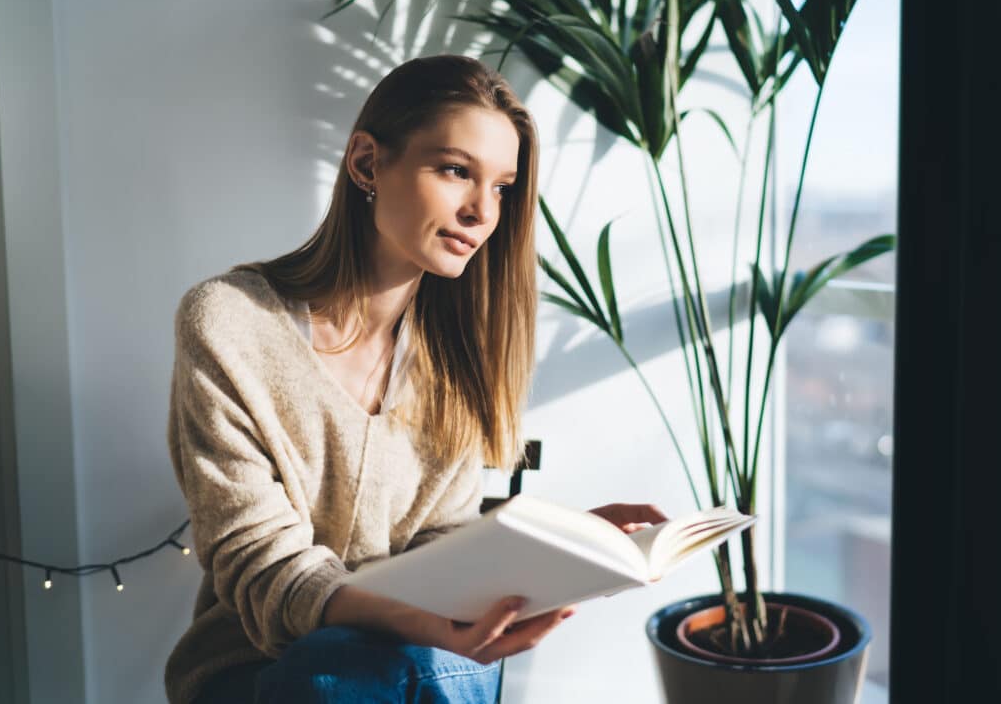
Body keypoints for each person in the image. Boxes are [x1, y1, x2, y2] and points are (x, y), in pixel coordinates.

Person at [164, 54, 667, 704]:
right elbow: (264, 570)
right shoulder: (230, 323)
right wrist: (420, 625)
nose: (482, 212)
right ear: (368, 164)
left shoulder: (455, 358)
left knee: (423, 666)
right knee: (405, 665)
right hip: (259, 672)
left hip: (414, 662)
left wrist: (553, 548)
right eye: (456, 171)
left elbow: (438, 545)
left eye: (502, 186)